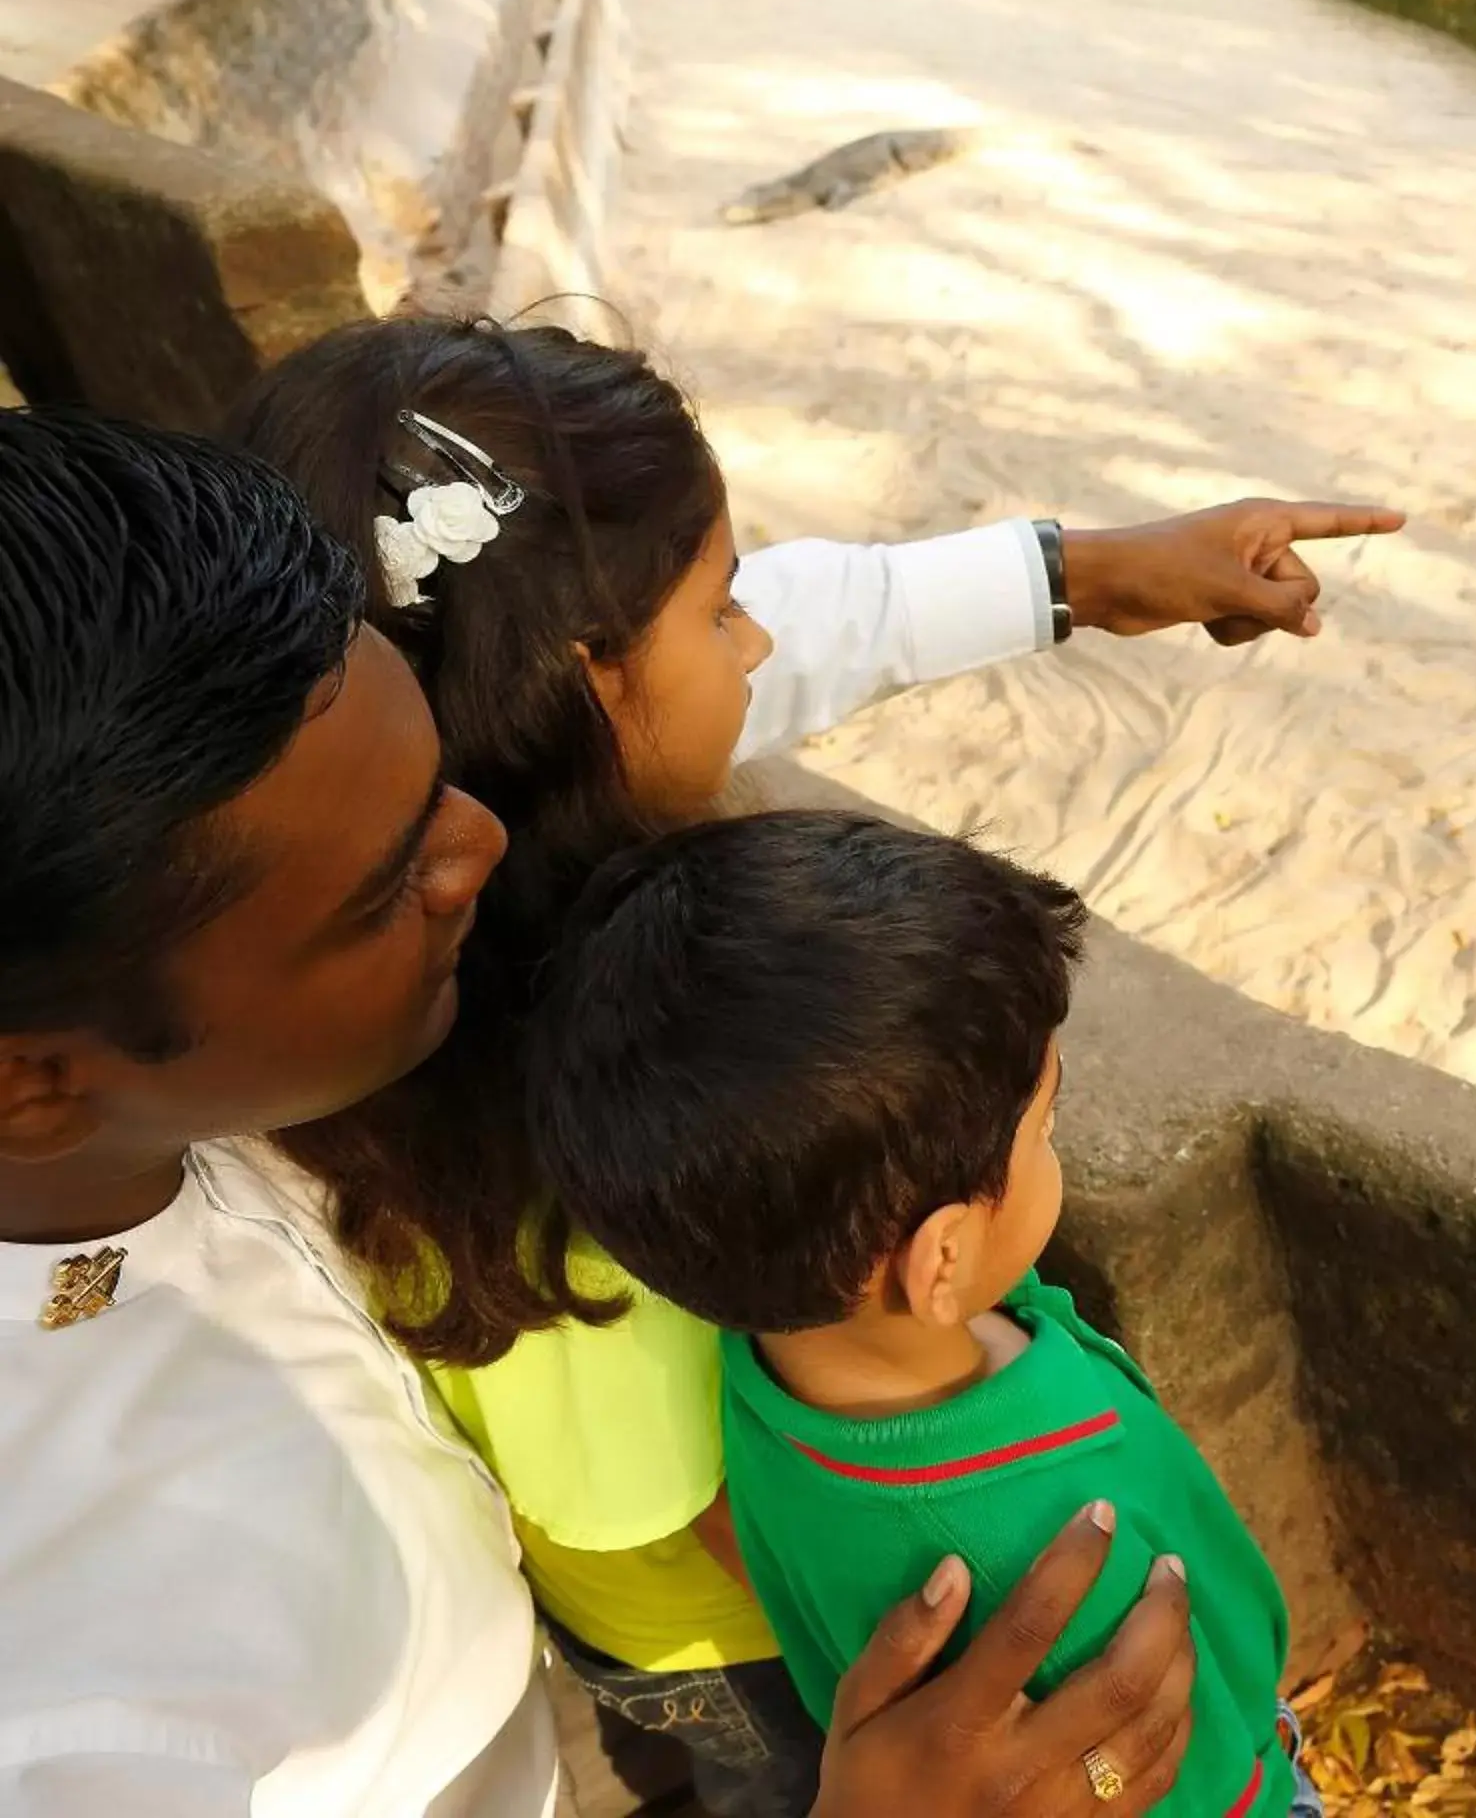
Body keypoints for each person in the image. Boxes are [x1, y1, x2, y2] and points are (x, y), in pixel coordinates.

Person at [219, 313, 1398, 1814]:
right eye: (721, 613)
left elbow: (784, 633)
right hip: (775, 1655)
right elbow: (654, 1498)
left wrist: (1080, 572)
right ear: (582, 689)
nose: (761, 637)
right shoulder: (595, 1133)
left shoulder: (438, 837)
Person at [0, 406, 1201, 1815]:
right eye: (389, 883)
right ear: (32, 1081)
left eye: (442, 770)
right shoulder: (107, 1695)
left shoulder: (216, 1061)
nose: (487, 845)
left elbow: (641, 676)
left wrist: (1059, 575)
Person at [527, 813, 1315, 1818]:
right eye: (1047, 1127)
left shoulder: (771, 1345)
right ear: (940, 1257)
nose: (1054, 1147)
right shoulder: (1054, 1556)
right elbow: (1147, 1769)